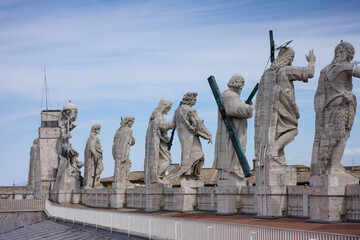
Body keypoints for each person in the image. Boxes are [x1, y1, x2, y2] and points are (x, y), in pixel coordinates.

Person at [255, 47, 316, 165]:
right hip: (285, 106)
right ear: (288, 58)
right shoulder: (286, 70)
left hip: (272, 109)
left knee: (278, 133)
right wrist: (312, 61)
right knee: (292, 130)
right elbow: (310, 73)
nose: (292, 60)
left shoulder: (268, 73)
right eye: (292, 57)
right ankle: (273, 151)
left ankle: (275, 153)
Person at [311, 41, 360, 177]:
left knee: (329, 137)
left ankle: (330, 168)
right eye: (350, 55)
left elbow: (319, 95)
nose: (350, 58)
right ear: (346, 53)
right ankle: (334, 167)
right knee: (342, 136)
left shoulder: (325, 70)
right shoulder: (345, 67)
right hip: (342, 106)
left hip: (327, 109)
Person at [213, 74, 254, 184]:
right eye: (241, 87)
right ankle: (233, 169)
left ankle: (235, 169)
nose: (241, 89)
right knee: (237, 150)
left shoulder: (228, 96)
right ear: (237, 85)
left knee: (240, 149)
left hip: (234, 130)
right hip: (233, 132)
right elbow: (238, 110)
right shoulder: (230, 96)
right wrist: (250, 107)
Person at [173, 92, 212, 180]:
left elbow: (172, 124)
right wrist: (208, 134)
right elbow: (198, 124)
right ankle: (194, 175)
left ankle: (187, 174)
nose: (195, 101)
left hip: (182, 137)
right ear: (189, 100)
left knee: (186, 154)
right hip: (191, 136)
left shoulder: (177, 110)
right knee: (199, 155)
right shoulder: (191, 110)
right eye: (194, 99)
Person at [144, 98, 173, 186]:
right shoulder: (158, 116)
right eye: (169, 107)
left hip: (161, 142)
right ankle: (157, 176)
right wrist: (174, 122)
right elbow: (163, 127)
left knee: (165, 159)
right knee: (167, 160)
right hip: (157, 144)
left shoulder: (156, 116)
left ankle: (161, 176)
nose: (169, 109)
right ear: (164, 106)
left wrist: (167, 139)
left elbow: (162, 132)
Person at [112, 116, 135, 188]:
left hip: (117, 151)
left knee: (118, 166)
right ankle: (124, 180)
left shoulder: (119, 130)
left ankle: (118, 181)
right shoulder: (128, 130)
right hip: (124, 151)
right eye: (132, 122)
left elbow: (115, 141)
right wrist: (132, 140)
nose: (133, 123)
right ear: (128, 122)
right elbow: (130, 142)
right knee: (127, 164)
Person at [83, 123, 103, 188]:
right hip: (95, 157)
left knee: (96, 168)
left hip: (90, 158)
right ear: (96, 129)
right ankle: (94, 183)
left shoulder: (89, 138)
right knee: (100, 167)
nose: (99, 130)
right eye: (99, 129)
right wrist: (96, 155)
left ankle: (93, 182)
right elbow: (91, 147)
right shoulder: (94, 138)